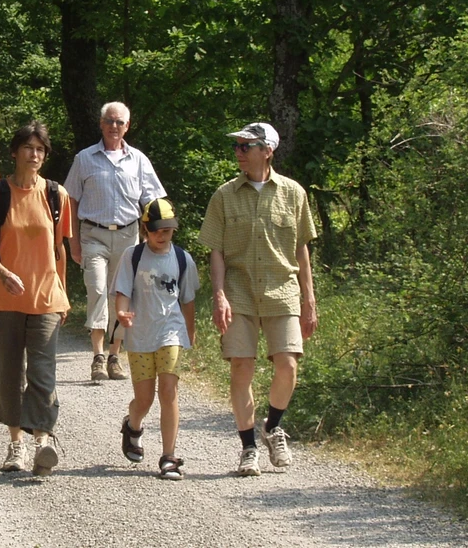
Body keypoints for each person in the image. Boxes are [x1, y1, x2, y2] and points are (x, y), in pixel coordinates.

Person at [198, 122, 318, 477]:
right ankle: (248, 447)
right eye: (236, 146)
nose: (238, 152)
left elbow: (301, 249)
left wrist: (310, 300)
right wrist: (219, 296)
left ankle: (273, 426)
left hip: (283, 289)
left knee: (288, 364)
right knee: (242, 368)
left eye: (245, 146)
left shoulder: (294, 193)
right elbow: (216, 251)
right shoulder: (224, 195)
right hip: (239, 291)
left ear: (267, 151)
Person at [0, 121, 73, 476]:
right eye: (29, 148)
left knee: (43, 373)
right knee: (8, 374)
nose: (34, 155)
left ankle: (42, 444)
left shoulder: (56, 195)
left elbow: (59, 248)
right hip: (2, 299)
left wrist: (63, 293)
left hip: (46, 297)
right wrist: (3, 273)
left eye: (41, 150)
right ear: (14, 152)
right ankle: (16, 445)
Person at [64, 101, 166, 381]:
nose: (114, 127)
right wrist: (72, 241)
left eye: (119, 122)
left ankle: (114, 355)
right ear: (101, 124)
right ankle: (97, 356)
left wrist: (157, 237)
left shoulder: (139, 160)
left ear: (127, 126)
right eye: (109, 121)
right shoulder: (84, 158)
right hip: (93, 233)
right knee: (97, 290)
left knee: (120, 296)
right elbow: (70, 200)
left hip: (128, 235)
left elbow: (154, 201)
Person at [113, 198, 198, 481]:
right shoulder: (132, 256)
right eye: (156, 230)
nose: (162, 236)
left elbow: (187, 300)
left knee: (169, 391)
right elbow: (122, 290)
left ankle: (169, 457)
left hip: (170, 331)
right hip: (139, 335)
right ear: (145, 229)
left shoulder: (183, 259)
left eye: (168, 230)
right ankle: (133, 425)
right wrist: (122, 313)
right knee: (145, 399)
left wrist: (190, 330)